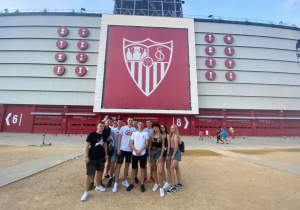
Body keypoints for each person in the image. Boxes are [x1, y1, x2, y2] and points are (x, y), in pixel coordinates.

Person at [81, 122, 108, 201]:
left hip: (101, 157)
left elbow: (105, 145)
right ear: (97, 126)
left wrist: (106, 154)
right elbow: (86, 146)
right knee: (89, 174)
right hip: (92, 157)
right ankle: (86, 191)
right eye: (100, 126)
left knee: (100, 171)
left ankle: (98, 185)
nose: (101, 127)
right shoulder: (91, 135)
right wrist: (86, 156)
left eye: (103, 126)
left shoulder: (104, 135)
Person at [112, 116, 137, 193]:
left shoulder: (134, 130)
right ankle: (115, 183)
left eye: (131, 120)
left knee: (127, 166)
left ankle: (124, 180)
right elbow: (119, 138)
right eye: (129, 120)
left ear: (133, 122)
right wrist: (118, 148)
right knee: (118, 166)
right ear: (127, 121)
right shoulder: (123, 128)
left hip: (130, 151)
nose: (130, 121)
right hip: (122, 150)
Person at [126, 120, 149, 193]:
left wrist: (140, 151)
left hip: (142, 154)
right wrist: (136, 150)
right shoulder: (134, 133)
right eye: (139, 124)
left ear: (143, 125)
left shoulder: (145, 133)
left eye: (141, 124)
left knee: (142, 169)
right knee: (133, 169)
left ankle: (142, 184)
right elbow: (131, 143)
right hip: (135, 154)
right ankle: (132, 183)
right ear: (137, 125)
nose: (140, 125)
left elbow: (146, 143)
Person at [149, 123, 165, 197]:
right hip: (152, 152)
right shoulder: (151, 136)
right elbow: (149, 146)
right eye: (154, 127)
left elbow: (163, 147)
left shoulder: (162, 136)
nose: (155, 129)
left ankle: (161, 188)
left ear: (158, 128)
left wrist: (161, 155)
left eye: (156, 127)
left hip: (159, 153)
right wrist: (149, 155)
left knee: (160, 171)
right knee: (154, 169)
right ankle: (156, 183)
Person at [107, 119, 123, 188]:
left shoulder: (123, 130)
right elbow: (110, 139)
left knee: (118, 164)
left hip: (121, 149)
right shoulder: (113, 130)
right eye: (118, 122)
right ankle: (110, 178)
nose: (119, 123)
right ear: (116, 123)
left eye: (120, 122)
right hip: (114, 149)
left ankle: (114, 176)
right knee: (112, 164)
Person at [167, 125, 182, 194]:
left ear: (176, 130)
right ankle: (179, 183)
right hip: (174, 152)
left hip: (176, 153)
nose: (172, 129)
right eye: (171, 128)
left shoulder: (175, 136)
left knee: (171, 169)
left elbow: (176, 146)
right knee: (177, 168)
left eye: (173, 128)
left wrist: (173, 155)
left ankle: (173, 187)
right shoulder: (172, 135)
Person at [143, 119, 155, 183]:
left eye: (149, 122)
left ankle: (151, 176)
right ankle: (145, 177)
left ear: (151, 123)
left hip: (152, 149)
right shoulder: (144, 130)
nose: (149, 123)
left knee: (151, 164)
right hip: (145, 149)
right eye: (147, 122)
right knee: (144, 164)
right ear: (146, 123)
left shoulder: (153, 130)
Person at [160, 124, 171, 190]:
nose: (162, 128)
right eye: (161, 128)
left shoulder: (167, 135)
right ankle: (164, 180)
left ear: (165, 128)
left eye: (163, 127)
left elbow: (169, 144)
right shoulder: (160, 135)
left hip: (167, 151)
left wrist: (167, 154)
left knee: (168, 167)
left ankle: (168, 181)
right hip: (162, 151)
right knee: (162, 166)